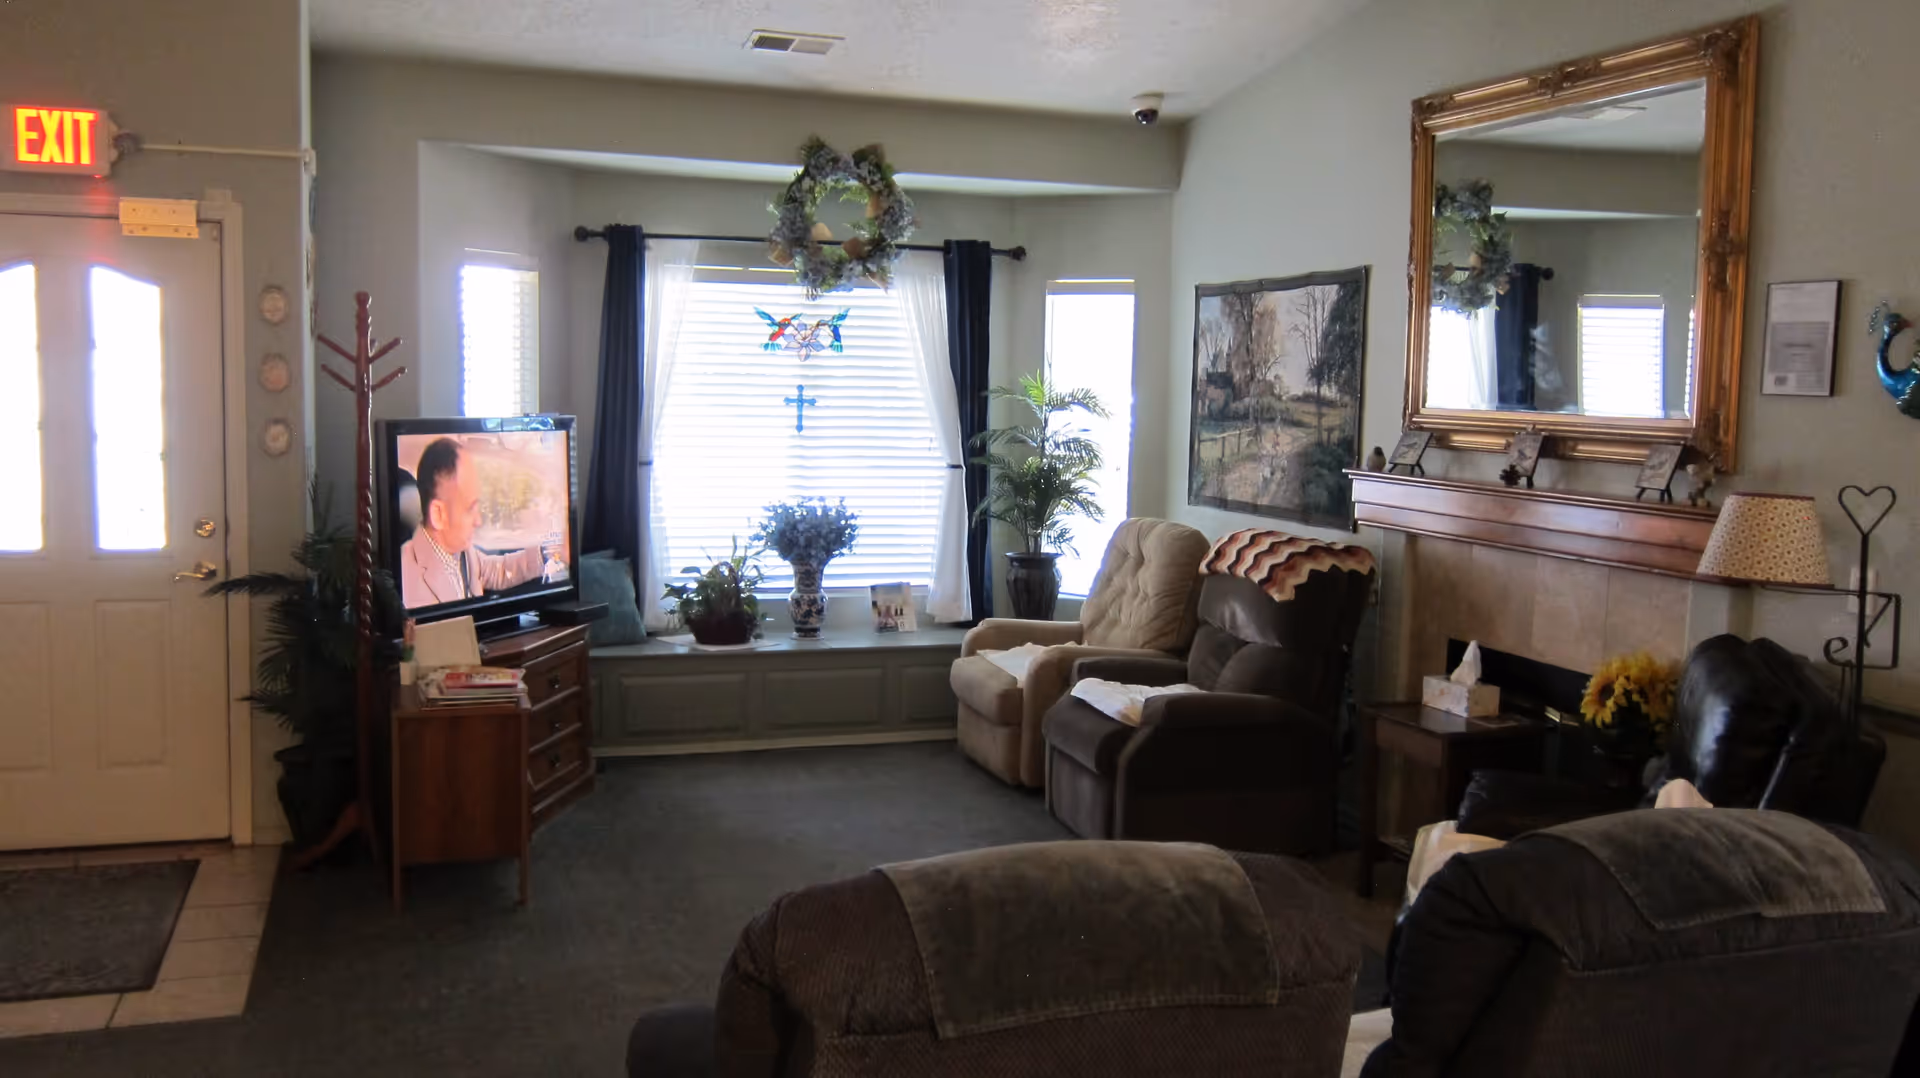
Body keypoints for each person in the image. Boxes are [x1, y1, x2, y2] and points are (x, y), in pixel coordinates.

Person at [399, 437, 549, 610]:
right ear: (438, 514)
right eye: (470, 509)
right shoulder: (406, 575)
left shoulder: (464, 552)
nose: (478, 520)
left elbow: (499, 571)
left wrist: (547, 553)